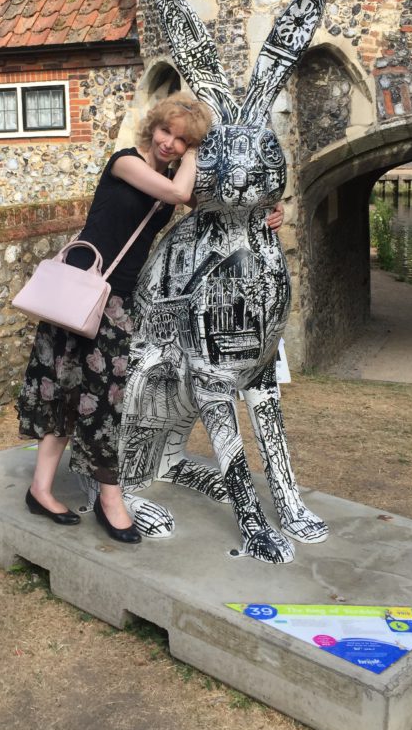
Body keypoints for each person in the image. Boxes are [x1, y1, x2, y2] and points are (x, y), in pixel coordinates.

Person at [17, 92, 283, 544]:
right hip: (83, 290)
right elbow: (181, 193)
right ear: (152, 127)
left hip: (116, 302)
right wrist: (200, 148)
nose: (171, 144)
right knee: (67, 391)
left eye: (182, 141)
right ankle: (62, 491)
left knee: (98, 398)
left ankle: (98, 495)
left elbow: (217, 205)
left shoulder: (165, 181)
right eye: (167, 132)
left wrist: (269, 212)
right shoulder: (125, 163)